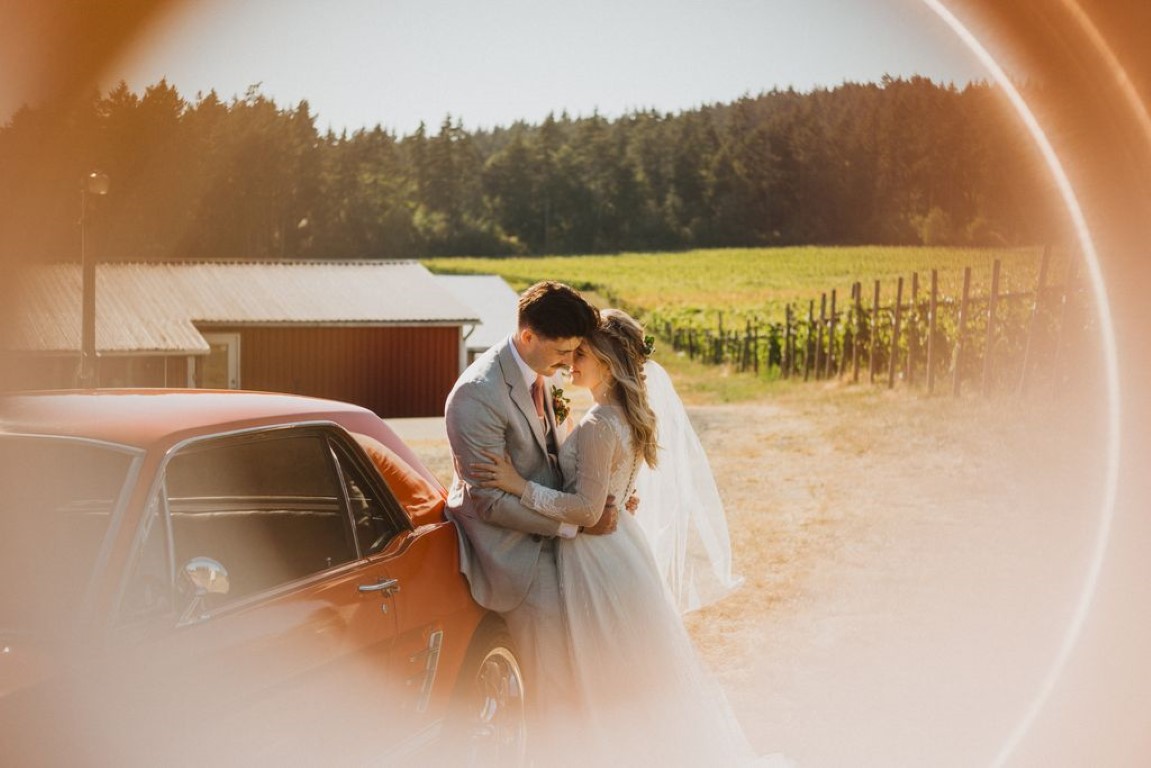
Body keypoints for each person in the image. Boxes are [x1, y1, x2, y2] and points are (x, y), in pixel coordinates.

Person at [474, 309, 794, 767]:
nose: (570, 363)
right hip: (621, 549)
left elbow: (585, 510)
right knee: (630, 670)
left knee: (607, 670)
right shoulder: (621, 416)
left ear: (606, 359)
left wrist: (515, 483)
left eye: (581, 354)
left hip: (597, 559)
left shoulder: (599, 425)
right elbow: (609, 491)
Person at [443, 281, 613, 734]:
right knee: (547, 678)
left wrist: (597, 492)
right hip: (513, 551)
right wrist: (570, 527)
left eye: (575, 351)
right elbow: (489, 501)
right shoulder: (476, 395)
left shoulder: (540, 373)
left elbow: (553, 458)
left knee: (578, 663)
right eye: (562, 351)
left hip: (555, 534)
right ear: (527, 337)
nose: (568, 363)